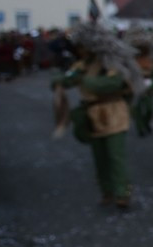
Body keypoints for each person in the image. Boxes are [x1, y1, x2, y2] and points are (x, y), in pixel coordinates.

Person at [53, 22, 143, 209]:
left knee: (116, 157)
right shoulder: (82, 65)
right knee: (99, 158)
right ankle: (107, 191)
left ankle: (122, 193)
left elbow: (113, 84)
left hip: (113, 113)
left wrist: (85, 80)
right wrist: (59, 82)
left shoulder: (112, 64)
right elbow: (68, 79)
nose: (80, 51)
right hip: (92, 115)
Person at [125, 28, 153, 137]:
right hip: (136, 86)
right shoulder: (130, 61)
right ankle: (140, 128)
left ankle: (146, 122)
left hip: (148, 87)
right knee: (137, 108)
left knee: (150, 109)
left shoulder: (150, 60)